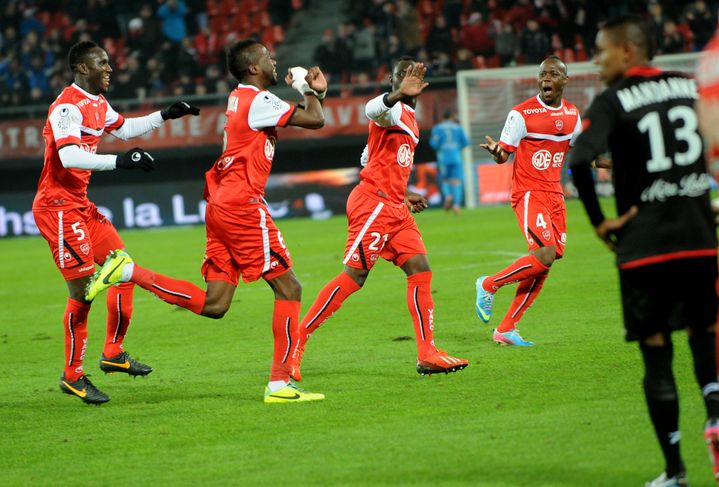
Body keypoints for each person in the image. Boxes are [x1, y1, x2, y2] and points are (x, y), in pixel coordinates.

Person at [86, 40, 329, 404]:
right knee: (289, 288)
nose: (274, 60)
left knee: (216, 305)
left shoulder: (239, 98)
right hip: (242, 206)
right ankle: (280, 384)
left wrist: (312, 93)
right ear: (251, 68)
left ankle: (129, 272)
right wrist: (306, 88)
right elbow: (316, 119)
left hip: (219, 206)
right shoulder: (257, 99)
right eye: (267, 57)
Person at [567, 15, 719, 487]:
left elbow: (578, 158)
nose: (595, 60)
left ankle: (675, 470)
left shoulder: (612, 101)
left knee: (656, 354)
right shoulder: (691, 88)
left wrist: (599, 222)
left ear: (628, 51)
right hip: (699, 242)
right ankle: (715, 415)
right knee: (706, 333)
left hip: (645, 249)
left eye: (600, 50)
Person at [32, 40, 200, 405]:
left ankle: (113, 351)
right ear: (81, 68)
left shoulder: (97, 103)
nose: (110, 68)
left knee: (120, 266)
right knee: (82, 294)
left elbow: (124, 129)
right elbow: (71, 155)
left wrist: (166, 115)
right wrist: (119, 163)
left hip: (80, 205)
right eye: (102, 63)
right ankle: (73, 376)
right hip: (58, 209)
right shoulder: (66, 108)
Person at [290, 58, 469, 382]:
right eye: (400, 76)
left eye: (412, 76)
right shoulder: (392, 109)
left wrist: (403, 193)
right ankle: (299, 338)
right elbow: (370, 110)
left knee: (420, 270)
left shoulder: (411, 119)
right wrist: (397, 93)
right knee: (354, 277)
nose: (408, 80)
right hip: (372, 205)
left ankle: (428, 353)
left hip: (393, 208)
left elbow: (369, 158)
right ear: (392, 81)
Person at [474, 55, 581, 346]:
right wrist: (497, 152)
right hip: (529, 193)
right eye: (542, 74)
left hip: (555, 194)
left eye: (553, 74)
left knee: (546, 263)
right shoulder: (522, 113)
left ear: (564, 80)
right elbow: (503, 154)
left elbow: (586, 156)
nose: (546, 78)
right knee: (544, 254)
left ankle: (506, 328)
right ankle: (488, 284)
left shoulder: (573, 115)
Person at [429, 110, 469, 214]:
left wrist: (442, 148)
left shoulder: (437, 128)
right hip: (456, 157)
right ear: (452, 117)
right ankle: (456, 205)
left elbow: (433, 143)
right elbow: (466, 142)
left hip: (443, 157)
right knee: (457, 181)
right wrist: (456, 148)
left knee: (445, 180)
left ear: (443, 117)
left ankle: (448, 196)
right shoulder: (458, 127)